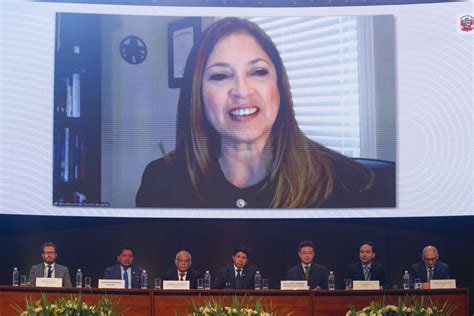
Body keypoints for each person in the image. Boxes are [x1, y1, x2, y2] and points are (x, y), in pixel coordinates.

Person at [136, 17, 395, 209]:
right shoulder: (161, 180)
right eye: (221, 75)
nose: (241, 90)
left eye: (258, 72)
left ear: (278, 86)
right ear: (197, 94)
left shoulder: (352, 184)